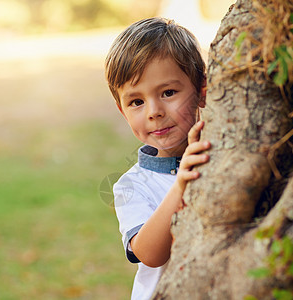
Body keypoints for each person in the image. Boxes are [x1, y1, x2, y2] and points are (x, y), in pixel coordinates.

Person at [105, 17, 211, 300]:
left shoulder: (221, 155)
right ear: (122, 110)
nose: (154, 111)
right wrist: (180, 186)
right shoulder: (131, 186)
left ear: (202, 90)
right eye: (136, 102)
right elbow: (149, 254)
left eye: (168, 92)